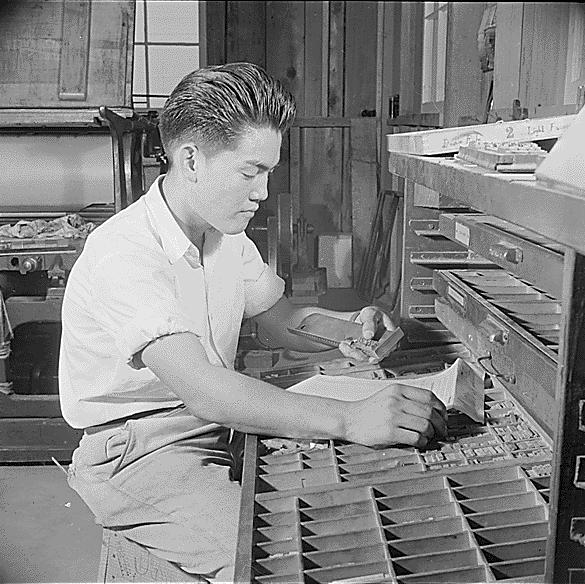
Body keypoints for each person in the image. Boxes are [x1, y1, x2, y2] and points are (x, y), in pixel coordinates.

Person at [59, 62, 447, 583]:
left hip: (214, 425)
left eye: (268, 171)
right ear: (191, 159)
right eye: (250, 172)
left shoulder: (226, 236)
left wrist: (348, 328)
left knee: (340, 521)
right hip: (139, 451)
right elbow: (206, 390)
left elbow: (281, 319)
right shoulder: (124, 253)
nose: (262, 191)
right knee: (275, 563)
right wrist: (350, 418)